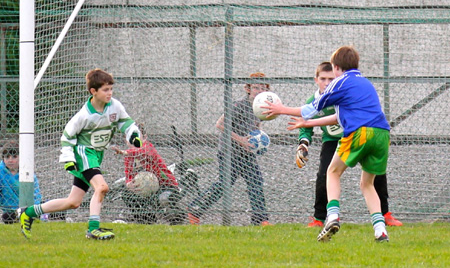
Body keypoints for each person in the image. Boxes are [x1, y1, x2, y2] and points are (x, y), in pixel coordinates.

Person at [263, 62, 402, 228]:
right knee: (324, 175)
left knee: (375, 174)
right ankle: (319, 218)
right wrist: (303, 144)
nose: (327, 82)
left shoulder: (340, 91)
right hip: (332, 139)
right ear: (316, 80)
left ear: (336, 75)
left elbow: (330, 117)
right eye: (323, 79)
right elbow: (306, 120)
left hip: (354, 134)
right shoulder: (315, 100)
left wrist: (283, 110)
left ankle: (385, 214)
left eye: (330, 78)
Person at [17, 68, 142, 240]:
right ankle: (93, 229)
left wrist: (133, 135)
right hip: (84, 155)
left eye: (111, 89)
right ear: (94, 91)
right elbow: (67, 137)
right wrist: (68, 160)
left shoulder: (114, 106)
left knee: (73, 202)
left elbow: (126, 123)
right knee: (102, 187)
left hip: (96, 156)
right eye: (106, 89)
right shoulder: (83, 116)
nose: (110, 93)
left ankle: (29, 212)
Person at [286, 46, 391, 242]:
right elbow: (337, 116)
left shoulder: (340, 82)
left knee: (332, 172)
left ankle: (332, 217)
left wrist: (280, 109)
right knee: (367, 183)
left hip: (361, 133)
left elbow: (310, 109)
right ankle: (380, 231)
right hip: (383, 134)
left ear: (336, 67)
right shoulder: (365, 83)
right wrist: (308, 124)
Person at [187, 72, 272, 226]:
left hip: (246, 154)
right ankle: (194, 211)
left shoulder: (261, 107)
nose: (259, 91)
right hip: (229, 153)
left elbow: (256, 125)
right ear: (247, 89)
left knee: (256, 182)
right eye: (255, 87)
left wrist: (256, 140)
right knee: (223, 184)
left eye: (263, 88)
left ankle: (260, 220)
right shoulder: (238, 105)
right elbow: (220, 124)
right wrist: (241, 141)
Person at [111, 123, 195, 225]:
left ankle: (178, 216)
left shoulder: (148, 147)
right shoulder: (129, 156)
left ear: (144, 137)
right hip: (146, 189)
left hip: (165, 185)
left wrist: (125, 152)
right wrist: (129, 183)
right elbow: (128, 173)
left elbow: (142, 152)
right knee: (127, 194)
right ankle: (146, 220)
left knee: (163, 199)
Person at [0, 140, 41, 224]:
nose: (10, 160)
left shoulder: (27, 171)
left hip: (27, 207)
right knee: (7, 217)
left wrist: (36, 206)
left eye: (14, 157)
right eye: (7, 157)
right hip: (9, 209)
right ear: (3, 159)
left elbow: (36, 193)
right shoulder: (1, 172)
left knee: (48, 206)